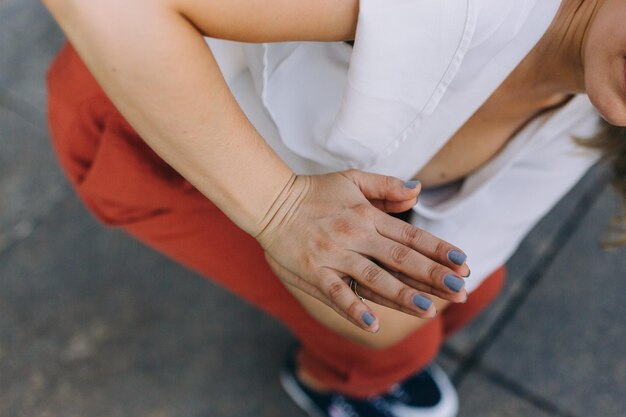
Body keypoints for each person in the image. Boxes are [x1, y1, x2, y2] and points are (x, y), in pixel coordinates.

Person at [42, 0, 626, 416]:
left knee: (471, 292)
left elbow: (467, 261)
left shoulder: (589, 109)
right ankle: (333, 383)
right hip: (141, 123)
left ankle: (361, 365)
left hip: (281, 168)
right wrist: (281, 210)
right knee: (393, 343)